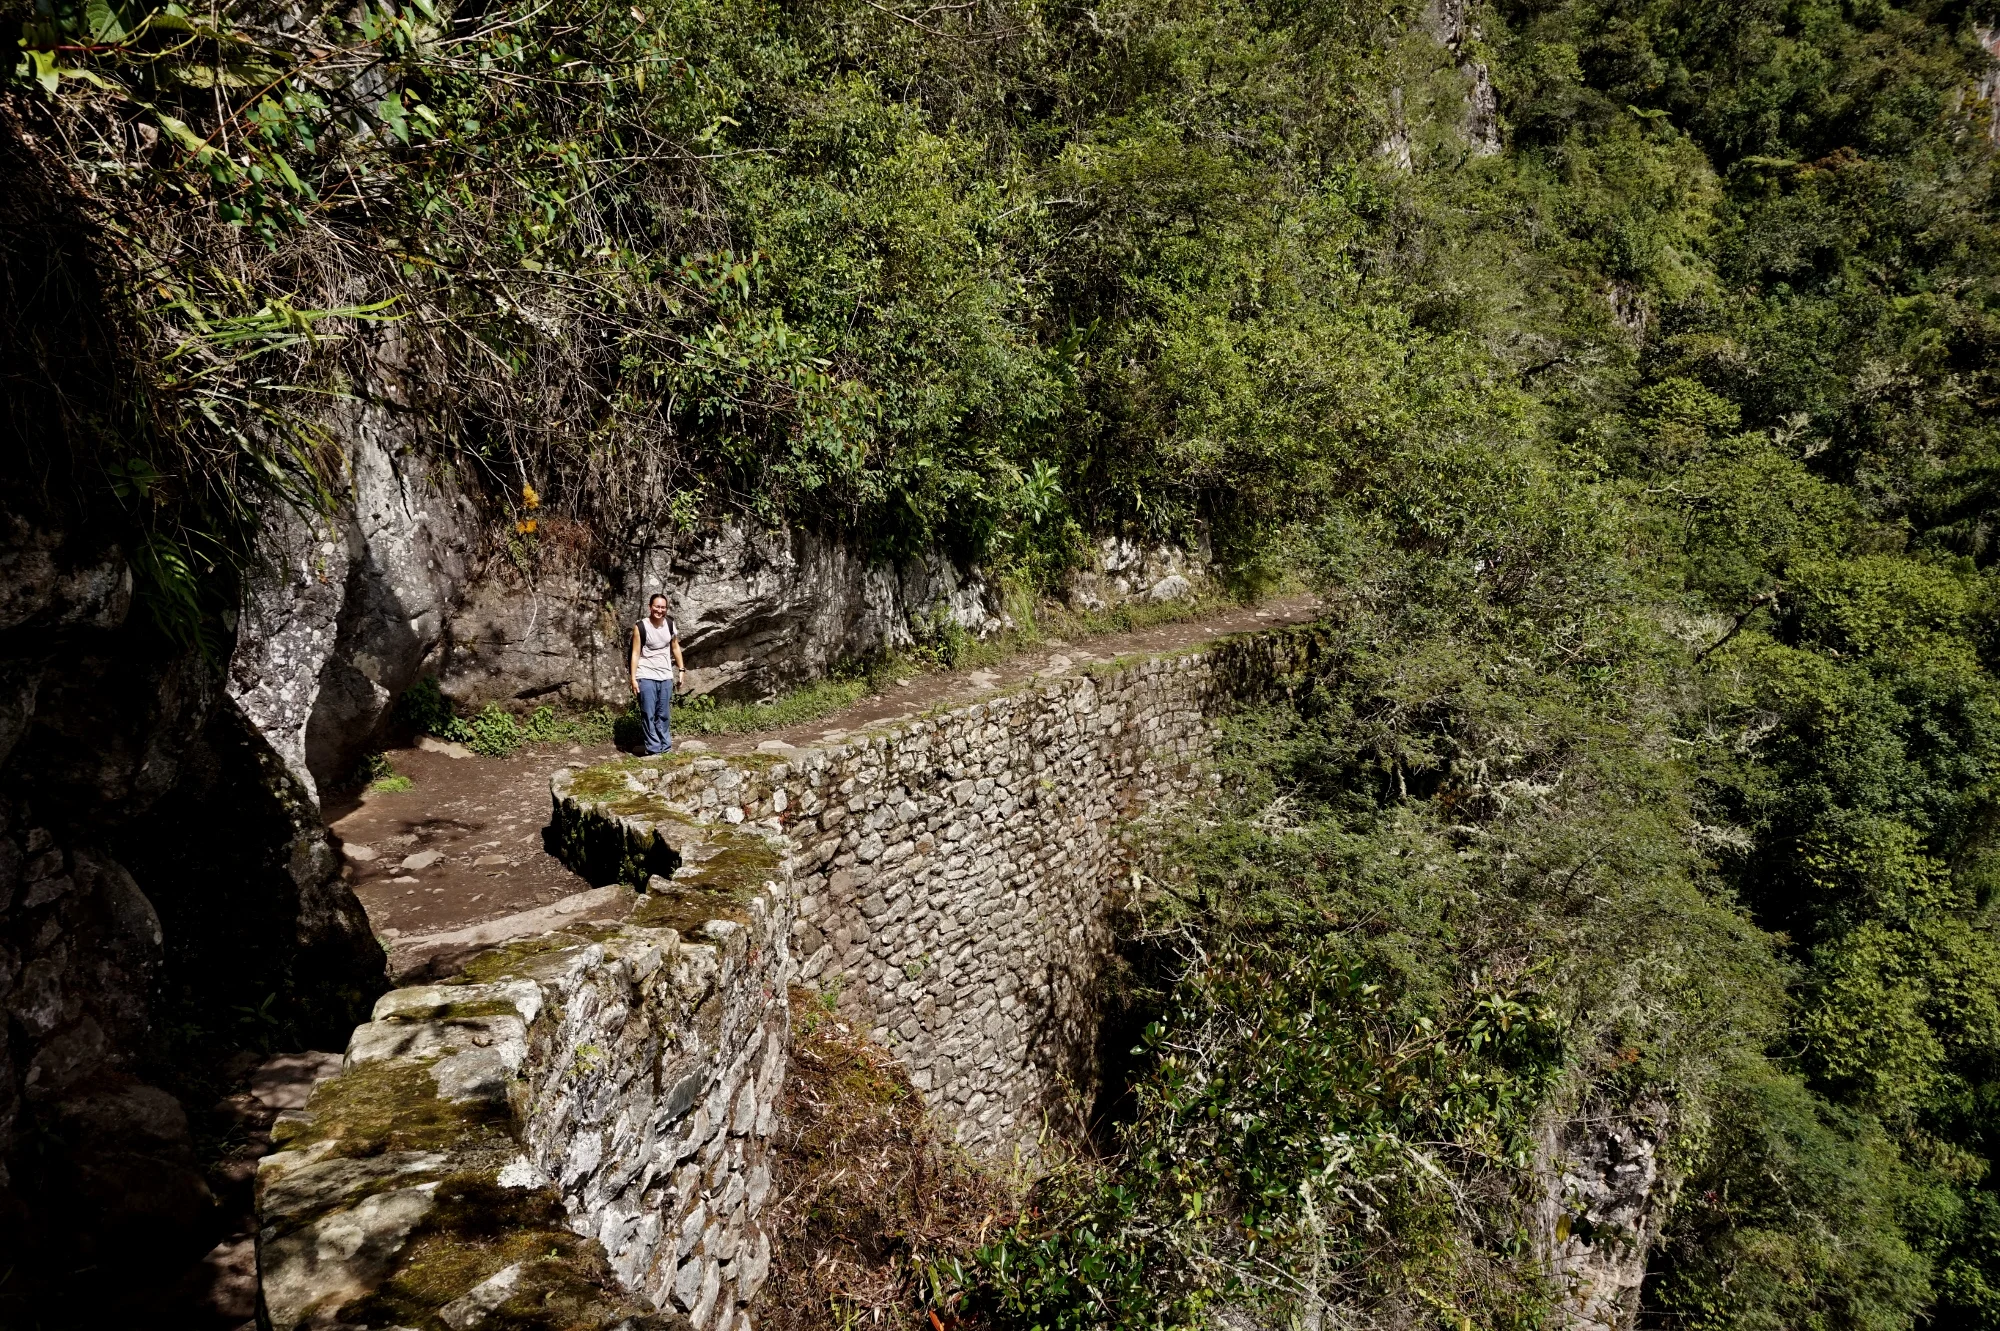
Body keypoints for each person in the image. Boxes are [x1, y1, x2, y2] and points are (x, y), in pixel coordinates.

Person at [630, 593, 686, 755]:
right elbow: (635, 653)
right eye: (656, 606)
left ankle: (665, 746)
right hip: (646, 674)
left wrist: (681, 669)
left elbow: (675, 647)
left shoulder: (670, 624)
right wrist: (633, 679)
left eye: (663, 607)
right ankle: (654, 748)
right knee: (648, 713)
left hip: (665, 675)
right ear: (650, 607)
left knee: (664, 714)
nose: (659, 610)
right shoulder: (641, 627)